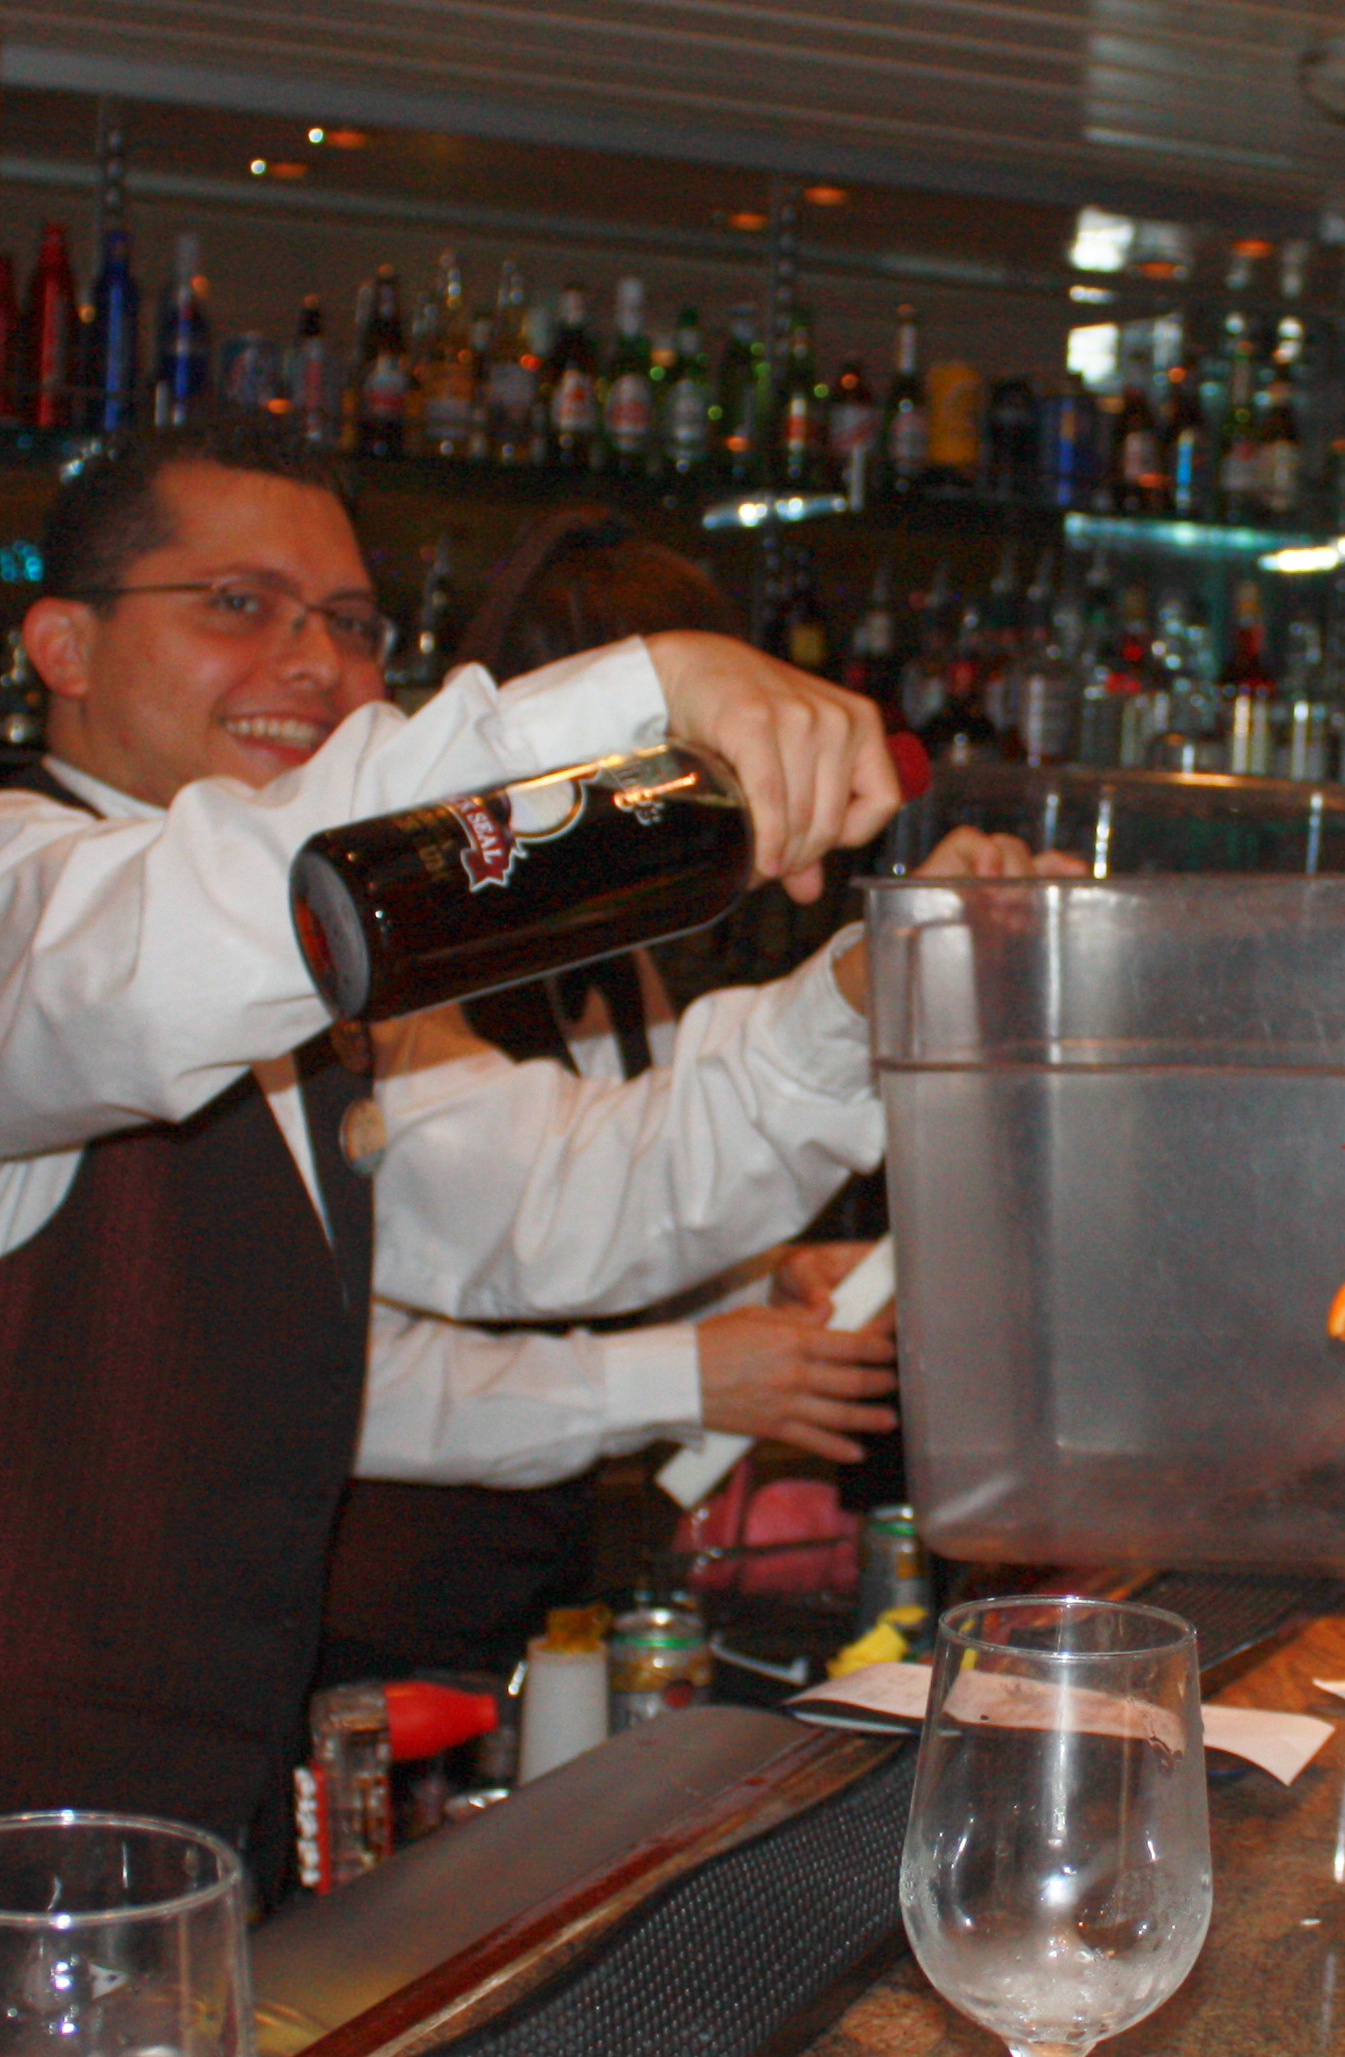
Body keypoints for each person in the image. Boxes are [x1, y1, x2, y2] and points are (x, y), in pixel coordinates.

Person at [0, 424, 904, 2057]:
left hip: (184, 1864)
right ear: (60, 644)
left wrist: (853, 1009)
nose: (313, 663)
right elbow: (149, 960)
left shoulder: (310, 1001)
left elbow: (563, 1204)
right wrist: (621, 709)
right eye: (237, 605)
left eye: (351, 622)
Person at [320, 509, 906, 1680]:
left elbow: (623, 1203)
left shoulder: (610, 960)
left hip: (562, 1572)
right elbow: (389, 1335)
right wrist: (686, 1370)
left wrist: (761, 1283)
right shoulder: (398, 977)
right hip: (388, 1593)